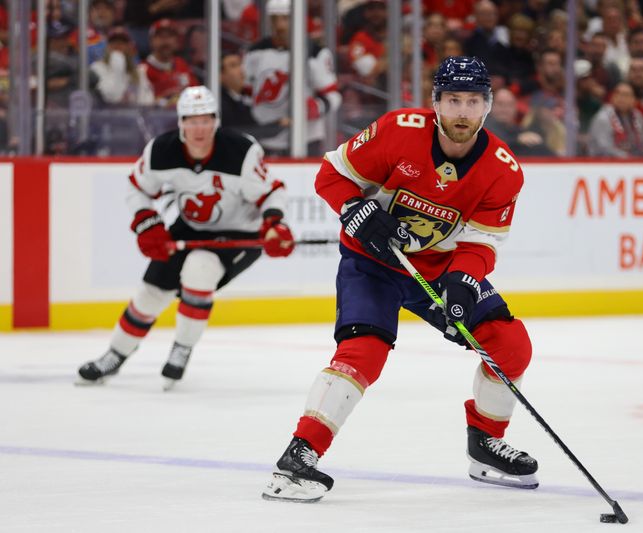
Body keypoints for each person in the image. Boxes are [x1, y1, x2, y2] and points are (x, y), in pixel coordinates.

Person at [262, 56, 536, 503]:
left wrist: (463, 284)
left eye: (472, 101)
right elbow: (332, 176)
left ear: (487, 106)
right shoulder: (398, 130)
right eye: (452, 100)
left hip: (438, 269)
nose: (462, 112)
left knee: (510, 344)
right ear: (436, 103)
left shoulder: (503, 170)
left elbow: (482, 242)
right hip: (372, 262)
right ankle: (299, 456)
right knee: (363, 351)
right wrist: (355, 209)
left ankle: (485, 445)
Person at [76, 86, 295, 389]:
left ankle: (182, 348)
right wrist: (147, 223)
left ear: (215, 121)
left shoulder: (241, 151)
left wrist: (274, 225)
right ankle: (115, 354)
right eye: (191, 121)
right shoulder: (161, 151)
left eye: (205, 120)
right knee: (151, 293)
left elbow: (272, 191)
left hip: (239, 232)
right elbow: (137, 188)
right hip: (189, 228)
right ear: (180, 123)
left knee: (200, 269)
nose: (199, 128)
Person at [243, 0, 341, 156]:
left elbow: (333, 95)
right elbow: (246, 93)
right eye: (275, 19)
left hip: (306, 138)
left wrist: (316, 108)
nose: (279, 25)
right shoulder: (255, 52)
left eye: (285, 18)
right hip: (265, 137)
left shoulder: (315, 53)